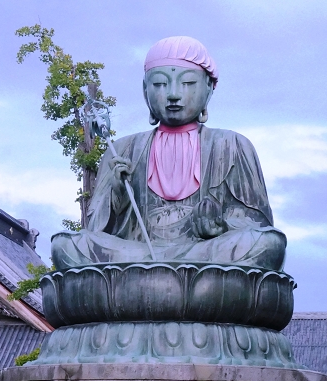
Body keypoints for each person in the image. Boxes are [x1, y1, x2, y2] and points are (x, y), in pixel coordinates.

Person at [51, 36, 287, 272]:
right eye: (161, 84)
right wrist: (118, 192)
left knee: (268, 244)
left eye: (187, 83)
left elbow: (258, 225)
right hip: (137, 254)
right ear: (145, 91)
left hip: (206, 253)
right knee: (67, 246)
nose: (173, 94)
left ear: (209, 88)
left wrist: (221, 224)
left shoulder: (232, 145)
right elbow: (96, 230)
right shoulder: (123, 150)